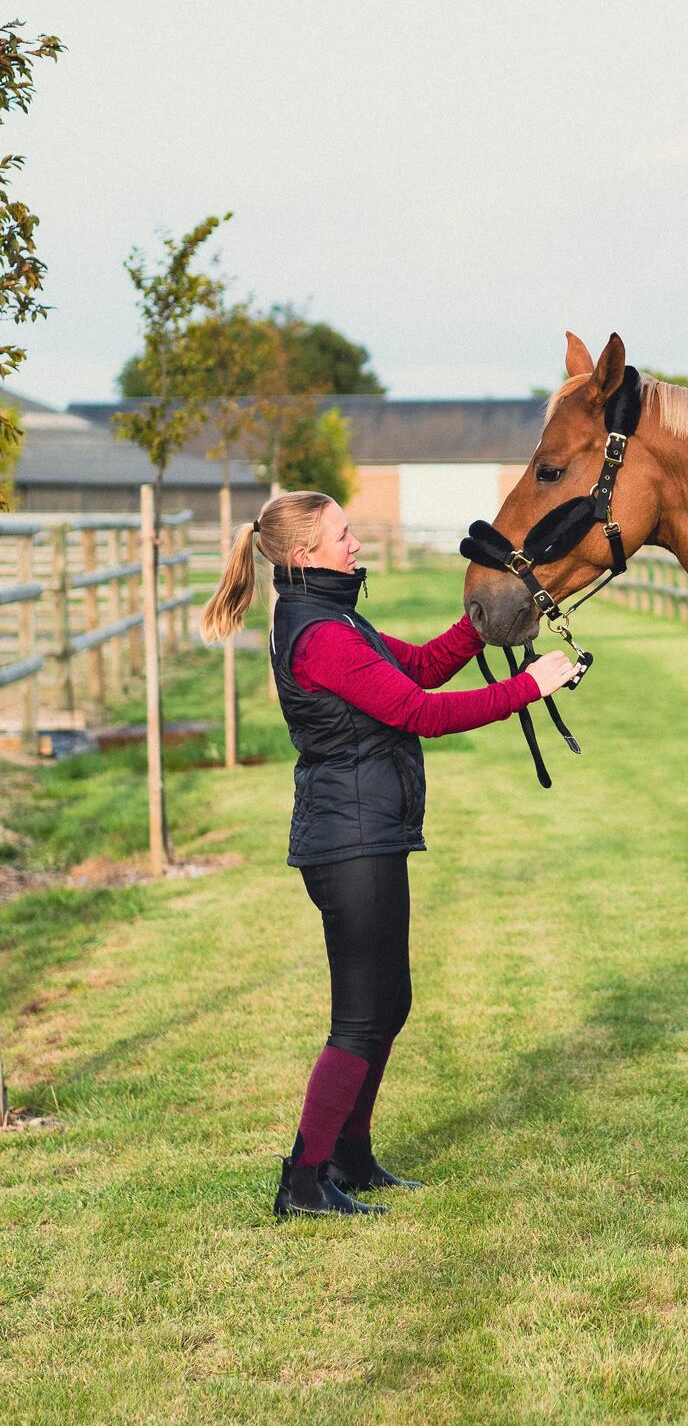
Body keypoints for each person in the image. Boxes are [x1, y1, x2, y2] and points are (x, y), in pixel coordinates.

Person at [201, 492, 579, 1219]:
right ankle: (304, 1179)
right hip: (351, 841)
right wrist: (528, 686)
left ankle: (349, 1157)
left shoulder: (334, 616)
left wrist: (481, 625)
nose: (355, 542)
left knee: (388, 1002)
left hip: (366, 832)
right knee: (360, 1017)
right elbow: (418, 712)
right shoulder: (319, 634)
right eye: (343, 534)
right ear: (306, 553)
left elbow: (423, 668)